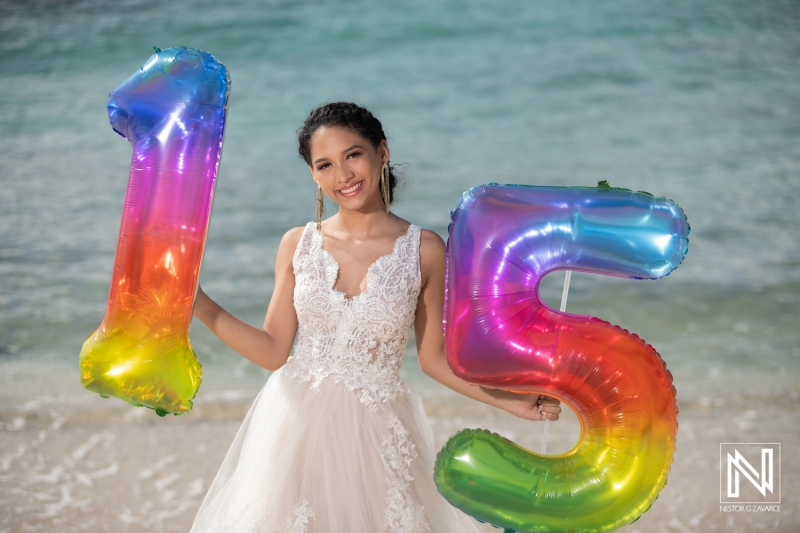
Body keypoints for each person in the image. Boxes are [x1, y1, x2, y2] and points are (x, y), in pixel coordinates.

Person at [189, 102, 561, 533]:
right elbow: (273, 351)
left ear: (381, 152)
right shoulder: (298, 244)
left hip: (375, 435)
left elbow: (434, 359)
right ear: (313, 174)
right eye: (325, 164)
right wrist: (199, 302)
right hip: (292, 430)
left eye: (353, 155)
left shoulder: (424, 250)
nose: (343, 175)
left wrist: (514, 401)